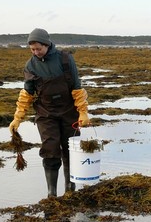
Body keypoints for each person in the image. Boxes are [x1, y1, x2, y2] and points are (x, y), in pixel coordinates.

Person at [8, 27, 90, 196]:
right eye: (32, 49)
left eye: (39, 48)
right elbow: (27, 94)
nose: (36, 52)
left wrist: (83, 112)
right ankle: (51, 193)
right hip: (46, 114)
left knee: (70, 150)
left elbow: (77, 88)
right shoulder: (30, 66)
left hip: (69, 112)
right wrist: (17, 118)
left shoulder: (66, 60)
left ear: (47, 45)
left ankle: (70, 190)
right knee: (50, 149)